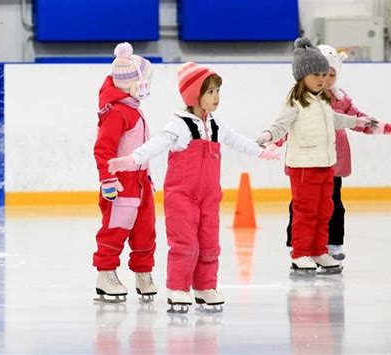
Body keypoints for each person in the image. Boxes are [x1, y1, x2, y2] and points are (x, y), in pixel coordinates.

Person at [108, 62, 279, 311]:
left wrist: (262, 152)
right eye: (210, 91)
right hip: (182, 196)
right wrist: (131, 160)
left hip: (209, 197)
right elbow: (156, 144)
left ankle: (205, 286)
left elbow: (238, 141)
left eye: (218, 91)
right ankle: (178, 288)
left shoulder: (216, 125)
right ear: (194, 95)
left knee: (210, 243)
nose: (217, 97)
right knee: (185, 243)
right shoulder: (180, 124)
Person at [256, 37, 377, 276]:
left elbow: (335, 120)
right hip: (303, 167)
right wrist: (269, 134)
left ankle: (319, 250)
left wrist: (357, 121)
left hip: (325, 165)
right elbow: (281, 125)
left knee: (325, 210)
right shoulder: (295, 101)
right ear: (303, 76)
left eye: (325, 75)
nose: (322, 79)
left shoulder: (322, 100)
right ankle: (301, 253)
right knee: (306, 211)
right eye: (317, 75)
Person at [284, 44, 391, 260]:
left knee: (332, 204)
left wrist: (380, 126)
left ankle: (333, 243)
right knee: (302, 205)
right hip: (304, 162)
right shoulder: (299, 99)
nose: (324, 79)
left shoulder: (340, 99)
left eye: (330, 74)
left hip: (333, 163)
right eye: (320, 74)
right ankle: (298, 246)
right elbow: (286, 124)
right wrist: (275, 141)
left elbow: (357, 120)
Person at [93, 42, 157, 303]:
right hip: (121, 184)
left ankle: (143, 273)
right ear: (135, 83)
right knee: (116, 229)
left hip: (141, 182)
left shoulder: (132, 108)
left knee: (145, 230)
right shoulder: (117, 113)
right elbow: (103, 148)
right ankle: (105, 274)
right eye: (146, 80)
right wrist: (108, 179)